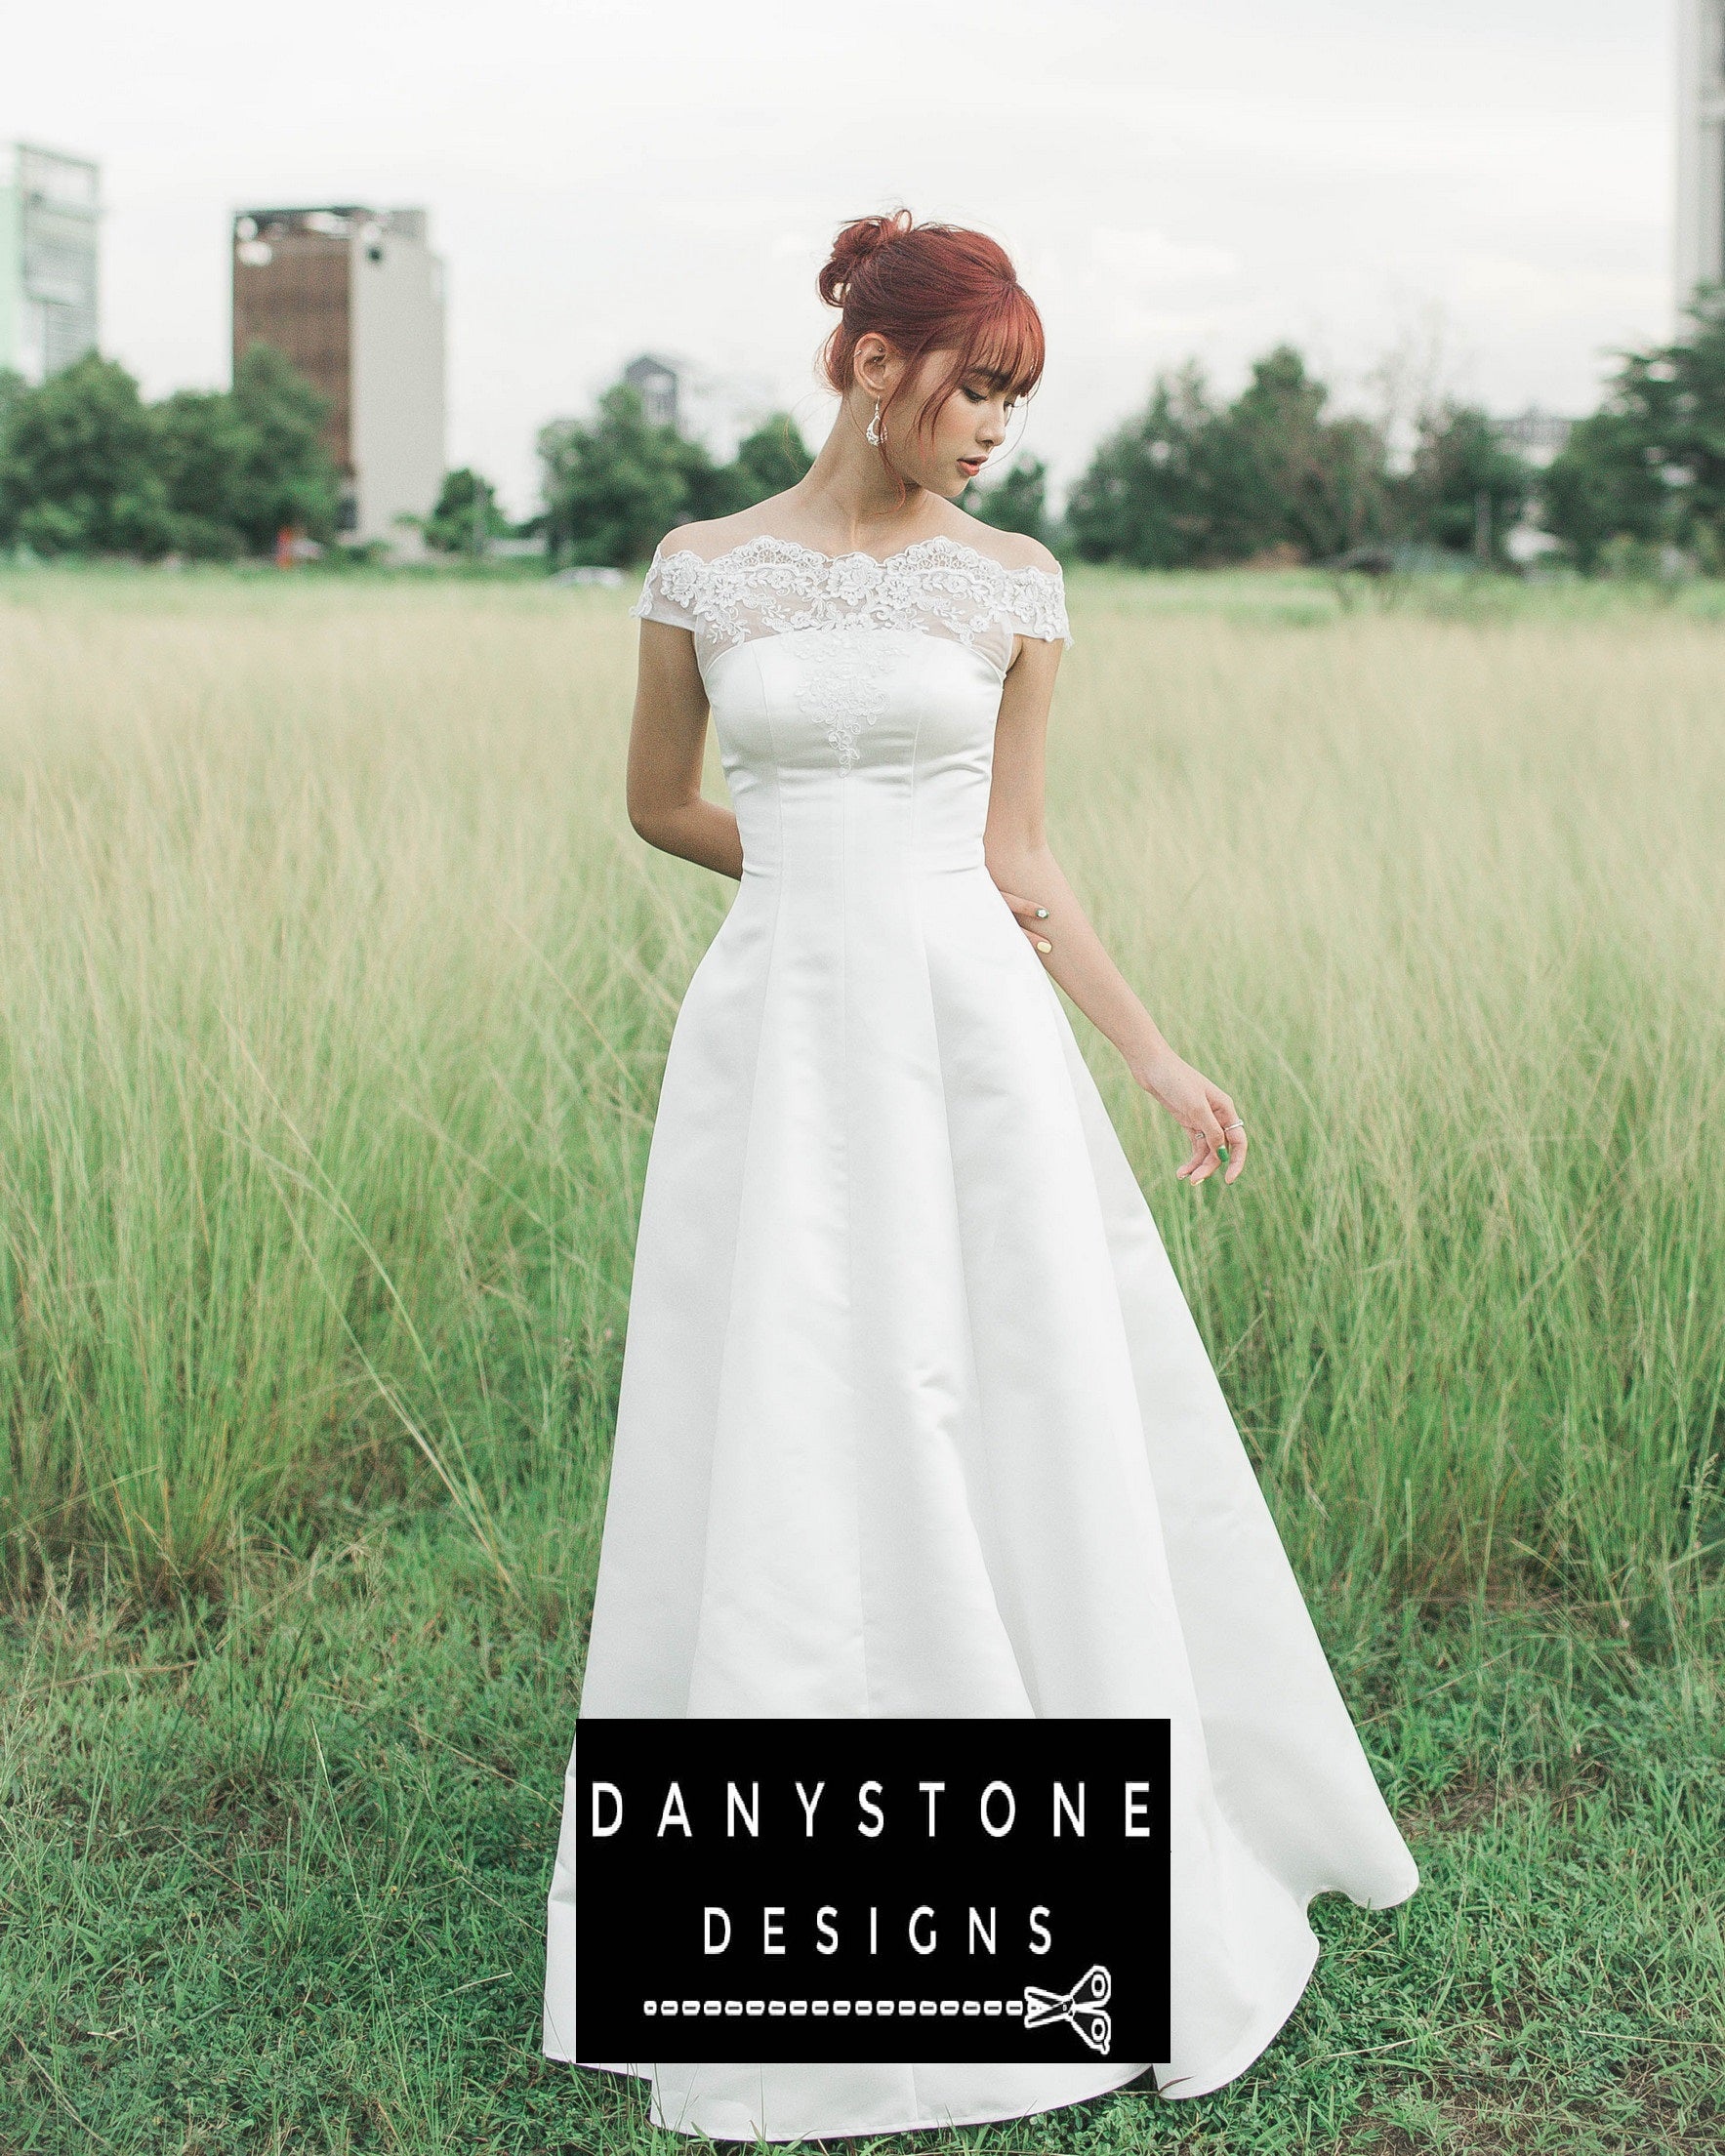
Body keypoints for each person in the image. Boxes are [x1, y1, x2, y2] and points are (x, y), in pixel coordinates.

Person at [543, 208, 1418, 2143]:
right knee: (774, 1411)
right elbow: (654, 800)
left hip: (972, 1041)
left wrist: (1152, 1050)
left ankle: (1061, 1873)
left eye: (1018, 399)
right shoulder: (700, 571)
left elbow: (1022, 860)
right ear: (875, 362)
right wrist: (820, 880)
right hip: (773, 1031)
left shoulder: (1013, 586)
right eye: (977, 389)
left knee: (1008, 1406)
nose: (995, 430)